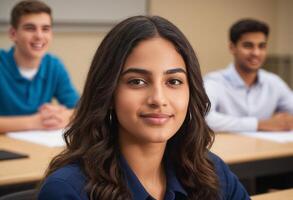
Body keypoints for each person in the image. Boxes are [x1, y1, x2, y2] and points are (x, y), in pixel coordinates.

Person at [38, 16, 249, 200]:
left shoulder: (212, 172)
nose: (158, 99)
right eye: (137, 81)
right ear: (108, 92)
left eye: (174, 81)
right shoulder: (68, 191)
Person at [0, 0, 79, 133]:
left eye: (45, 29)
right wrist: (34, 122)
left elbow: (84, 110)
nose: (39, 36)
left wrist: (64, 116)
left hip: (38, 146)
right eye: (30, 28)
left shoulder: (54, 66)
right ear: (13, 34)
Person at [204, 18, 293, 132]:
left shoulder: (273, 82)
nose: (256, 53)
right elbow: (204, 118)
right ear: (232, 47)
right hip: (224, 149)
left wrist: (285, 121)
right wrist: (261, 124)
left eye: (261, 46)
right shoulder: (213, 81)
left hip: (266, 148)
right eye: (248, 45)